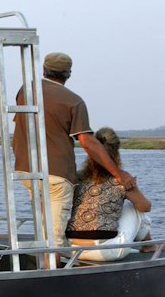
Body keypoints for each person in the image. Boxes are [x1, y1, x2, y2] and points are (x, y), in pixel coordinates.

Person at [12, 52, 136, 264]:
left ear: (44, 70)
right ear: (68, 74)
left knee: (44, 230)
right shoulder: (74, 101)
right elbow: (87, 142)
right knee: (54, 239)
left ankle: (45, 274)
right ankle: (52, 283)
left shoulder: (26, 90)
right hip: (56, 174)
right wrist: (118, 173)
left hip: (27, 170)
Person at [66, 127, 153, 261]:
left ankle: (148, 244)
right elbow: (145, 207)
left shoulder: (78, 177)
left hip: (70, 248)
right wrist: (133, 189)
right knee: (134, 208)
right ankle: (149, 245)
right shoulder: (122, 180)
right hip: (103, 251)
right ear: (116, 153)